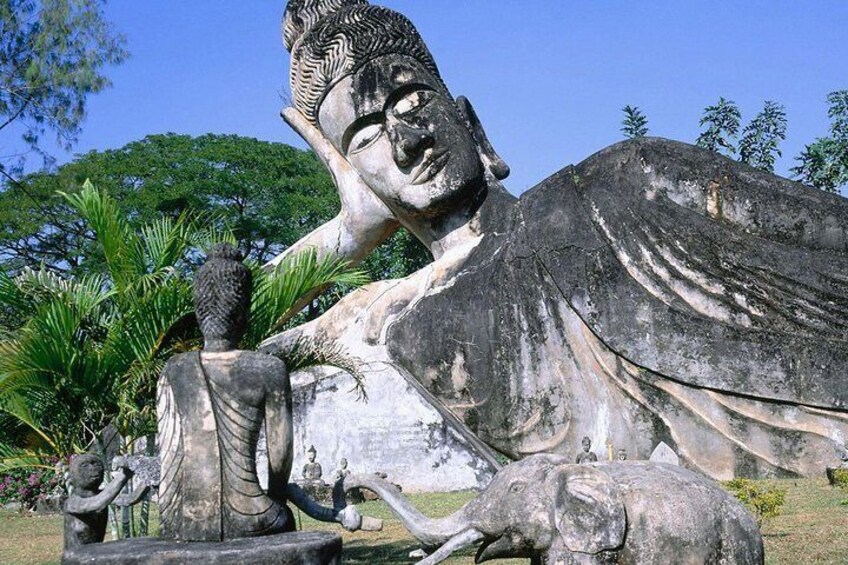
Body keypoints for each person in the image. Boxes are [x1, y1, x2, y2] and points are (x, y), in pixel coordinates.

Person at [263, 0, 848, 479]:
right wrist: (351, 229)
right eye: (366, 135)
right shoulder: (395, 316)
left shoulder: (619, 180)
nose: (408, 140)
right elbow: (213, 342)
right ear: (356, 176)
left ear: (471, 123)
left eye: (415, 102)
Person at [158, 244, 295, 541]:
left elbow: (168, 459)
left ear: (199, 313)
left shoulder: (173, 369)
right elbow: (280, 454)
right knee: (283, 518)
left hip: (180, 519)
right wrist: (279, 497)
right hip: (251, 515)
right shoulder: (267, 368)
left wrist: (170, 516)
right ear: (243, 312)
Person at [63, 455, 146, 551]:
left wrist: (148, 480)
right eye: (85, 466)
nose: (93, 469)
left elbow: (130, 499)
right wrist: (123, 476)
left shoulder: (103, 495)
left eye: (96, 464)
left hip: (95, 551)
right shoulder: (72, 502)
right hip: (76, 555)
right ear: (72, 476)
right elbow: (97, 504)